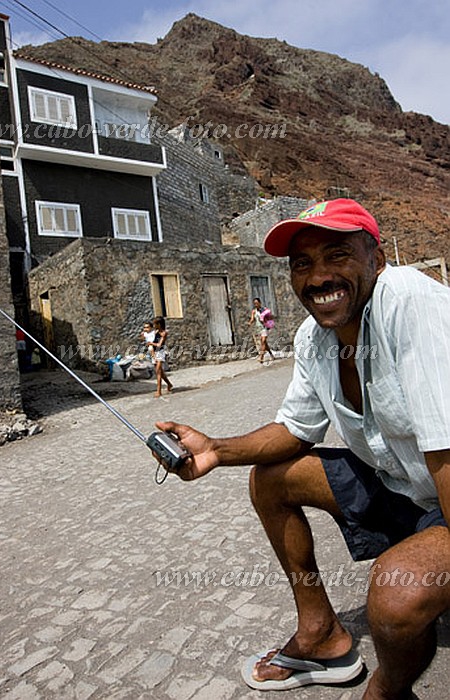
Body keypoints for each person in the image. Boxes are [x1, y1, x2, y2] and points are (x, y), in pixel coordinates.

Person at [155, 198, 450, 699]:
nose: (319, 277)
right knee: (272, 476)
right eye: (302, 264)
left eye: (337, 255)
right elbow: (294, 430)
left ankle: (387, 691)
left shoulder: (407, 300)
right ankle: (322, 636)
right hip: (407, 489)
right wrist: (216, 450)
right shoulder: (314, 339)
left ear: (375, 258)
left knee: (396, 595)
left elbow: (446, 448)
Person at [248, 297, 275, 364]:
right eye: (255, 304)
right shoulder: (254, 311)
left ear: (260, 303)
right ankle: (271, 354)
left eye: (257, 303)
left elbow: (270, 317)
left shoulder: (265, 310)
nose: (256, 305)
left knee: (263, 341)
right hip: (258, 328)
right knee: (265, 343)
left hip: (264, 327)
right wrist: (250, 322)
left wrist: (266, 319)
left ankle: (261, 357)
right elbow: (252, 319)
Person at [151, 316, 173, 397]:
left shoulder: (164, 333)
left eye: (155, 324)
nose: (154, 326)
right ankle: (169, 384)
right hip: (154, 353)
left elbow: (159, 344)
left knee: (158, 372)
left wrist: (150, 343)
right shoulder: (155, 332)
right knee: (161, 372)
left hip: (160, 352)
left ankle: (158, 391)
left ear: (159, 324)